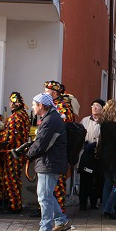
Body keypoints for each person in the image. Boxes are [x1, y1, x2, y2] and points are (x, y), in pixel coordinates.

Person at [27, 93, 71, 231]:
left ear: (41, 105)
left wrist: (28, 154)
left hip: (49, 162)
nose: (32, 107)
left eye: (34, 104)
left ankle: (45, 229)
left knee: (44, 196)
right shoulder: (51, 118)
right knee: (47, 195)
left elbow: (42, 143)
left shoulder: (50, 120)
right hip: (49, 162)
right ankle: (61, 221)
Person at [43, 80, 75, 214]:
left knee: (58, 182)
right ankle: (47, 210)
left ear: (54, 93)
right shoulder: (52, 105)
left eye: (46, 92)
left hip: (59, 150)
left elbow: (59, 126)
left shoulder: (62, 106)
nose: (44, 94)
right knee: (48, 185)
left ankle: (59, 212)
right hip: (50, 150)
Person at [0, 92, 30, 214]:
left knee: (11, 178)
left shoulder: (16, 117)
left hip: (14, 152)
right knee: (13, 178)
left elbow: (9, 137)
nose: (10, 104)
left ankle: (14, 205)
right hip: (18, 151)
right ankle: (13, 203)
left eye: (11, 102)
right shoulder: (24, 115)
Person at [98, 99, 116, 219]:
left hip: (105, 155)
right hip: (115, 156)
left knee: (107, 183)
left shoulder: (103, 123)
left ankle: (105, 208)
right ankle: (109, 208)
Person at [77, 99, 104, 211]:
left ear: (103, 108)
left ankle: (94, 202)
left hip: (97, 155)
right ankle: (82, 203)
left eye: (97, 106)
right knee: (85, 179)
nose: (94, 108)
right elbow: (79, 134)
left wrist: (97, 144)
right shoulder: (85, 120)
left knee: (96, 180)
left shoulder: (104, 122)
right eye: (93, 105)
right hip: (86, 154)